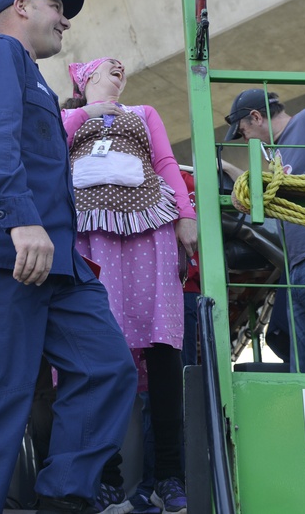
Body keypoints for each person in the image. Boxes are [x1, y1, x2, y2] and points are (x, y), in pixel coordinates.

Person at [0, 0, 137, 514]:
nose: (66, 19)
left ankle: (64, 497)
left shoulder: (37, 81)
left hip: (58, 266)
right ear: (20, 7)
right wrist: (19, 219)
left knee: (106, 366)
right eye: (56, 6)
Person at [61, 57, 197, 514]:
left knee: (162, 347)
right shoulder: (67, 118)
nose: (119, 70)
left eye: (121, 67)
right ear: (84, 82)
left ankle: (169, 476)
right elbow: (51, 151)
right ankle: (107, 477)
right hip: (90, 237)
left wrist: (186, 216)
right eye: (106, 67)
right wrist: (88, 113)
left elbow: (164, 160)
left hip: (148, 234)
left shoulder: (144, 113)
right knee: (99, 352)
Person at [224, 89, 305, 373]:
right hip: (297, 268)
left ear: (256, 117)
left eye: (243, 131)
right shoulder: (278, 152)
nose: (245, 139)